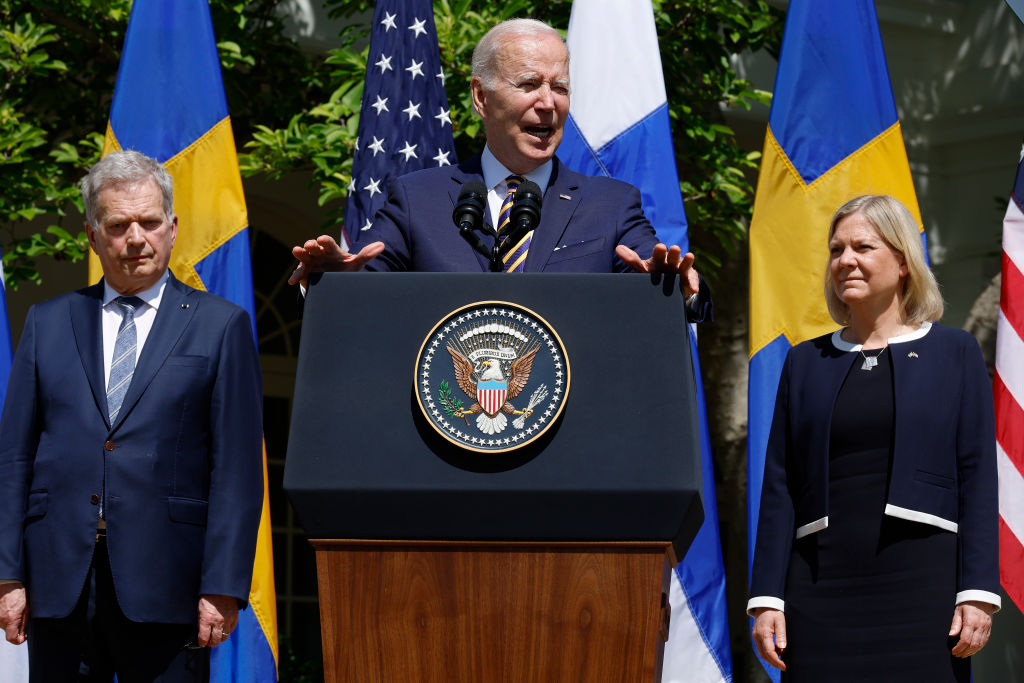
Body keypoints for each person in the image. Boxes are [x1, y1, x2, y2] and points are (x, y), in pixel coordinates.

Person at [0, 150, 264, 682]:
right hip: (58, 585)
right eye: (118, 226)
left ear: (173, 227)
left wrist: (223, 585)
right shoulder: (47, 322)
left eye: (148, 222)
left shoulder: (221, 327)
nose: (135, 239)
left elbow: (236, 471)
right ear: (93, 237)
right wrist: (8, 576)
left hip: (170, 584)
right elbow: (14, 459)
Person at [289, 18, 710, 320]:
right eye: (529, 84)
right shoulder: (417, 200)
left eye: (560, 87)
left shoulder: (612, 205)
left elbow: (657, 278)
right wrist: (332, 282)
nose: (548, 103)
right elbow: (363, 290)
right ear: (481, 97)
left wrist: (673, 288)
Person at [747, 195, 1000, 681]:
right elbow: (779, 484)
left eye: (863, 246)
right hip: (818, 586)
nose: (846, 261)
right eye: (837, 249)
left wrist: (977, 592)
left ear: (903, 260)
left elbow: (978, 477)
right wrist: (766, 598)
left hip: (923, 585)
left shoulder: (955, 352)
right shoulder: (804, 362)